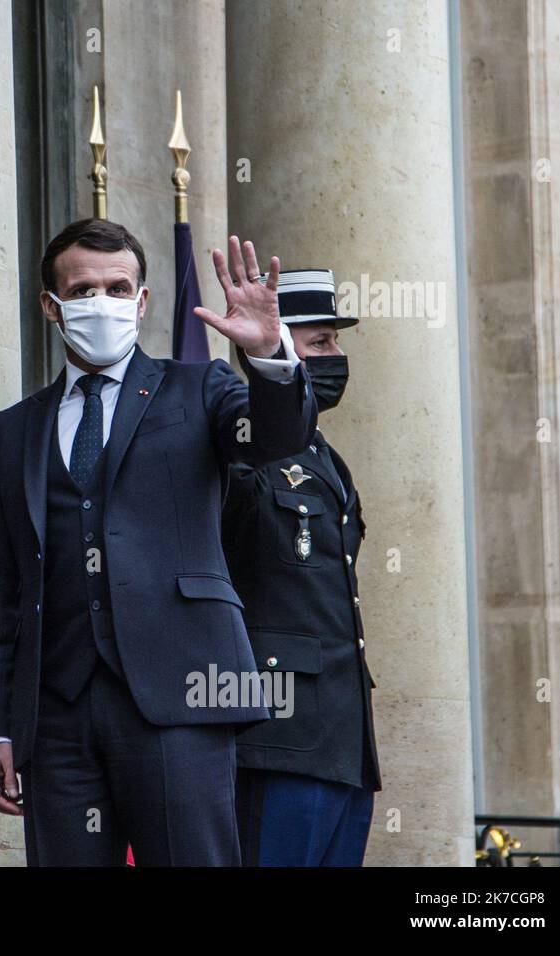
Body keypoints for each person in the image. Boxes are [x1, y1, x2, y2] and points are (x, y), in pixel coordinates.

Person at [0, 219, 317, 865]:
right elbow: (0, 595)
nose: (100, 302)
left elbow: (277, 439)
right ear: (50, 305)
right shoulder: (13, 431)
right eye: (82, 290)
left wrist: (271, 356)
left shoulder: (199, 388)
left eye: (117, 286)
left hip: (183, 696)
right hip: (56, 717)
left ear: (142, 300)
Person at [224, 268, 379, 866]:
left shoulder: (327, 457)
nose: (336, 356)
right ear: (275, 343)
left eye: (336, 341)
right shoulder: (243, 443)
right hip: (277, 738)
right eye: (319, 343)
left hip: (342, 739)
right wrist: (269, 372)